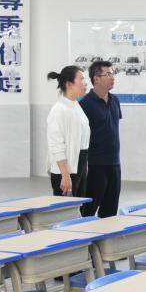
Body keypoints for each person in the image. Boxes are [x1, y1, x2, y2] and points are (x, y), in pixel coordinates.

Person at [80, 60, 122, 218]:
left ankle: (107, 235)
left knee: (110, 211)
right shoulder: (85, 104)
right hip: (94, 165)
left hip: (114, 163)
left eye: (113, 73)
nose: (113, 77)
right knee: (88, 211)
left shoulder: (115, 100)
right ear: (96, 79)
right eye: (108, 74)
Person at [46, 66, 90, 203]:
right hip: (66, 171)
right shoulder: (59, 109)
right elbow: (56, 145)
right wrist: (65, 176)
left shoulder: (75, 105)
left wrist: (84, 167)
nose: (85, 83)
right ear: (69, 84)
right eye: (82, 79)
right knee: (66, 210)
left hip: (79, 164)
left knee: (79, 208)